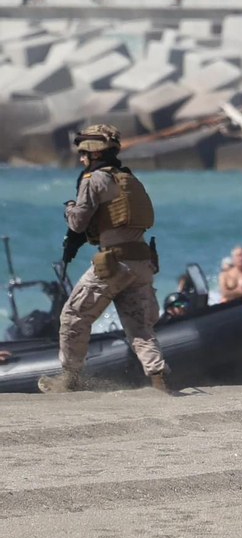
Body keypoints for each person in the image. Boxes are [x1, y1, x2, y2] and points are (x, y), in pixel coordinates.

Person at [38, 125, 171, 394]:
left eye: (83, 153)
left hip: (115, 263)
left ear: (94, 152)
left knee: (74, 315)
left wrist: (69, 208)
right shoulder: (129, 178)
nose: (81, 159)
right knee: (139, 327)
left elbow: (78, 223)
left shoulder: (93, 179)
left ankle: (69, 379)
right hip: (141, 261)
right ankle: (159, 379)